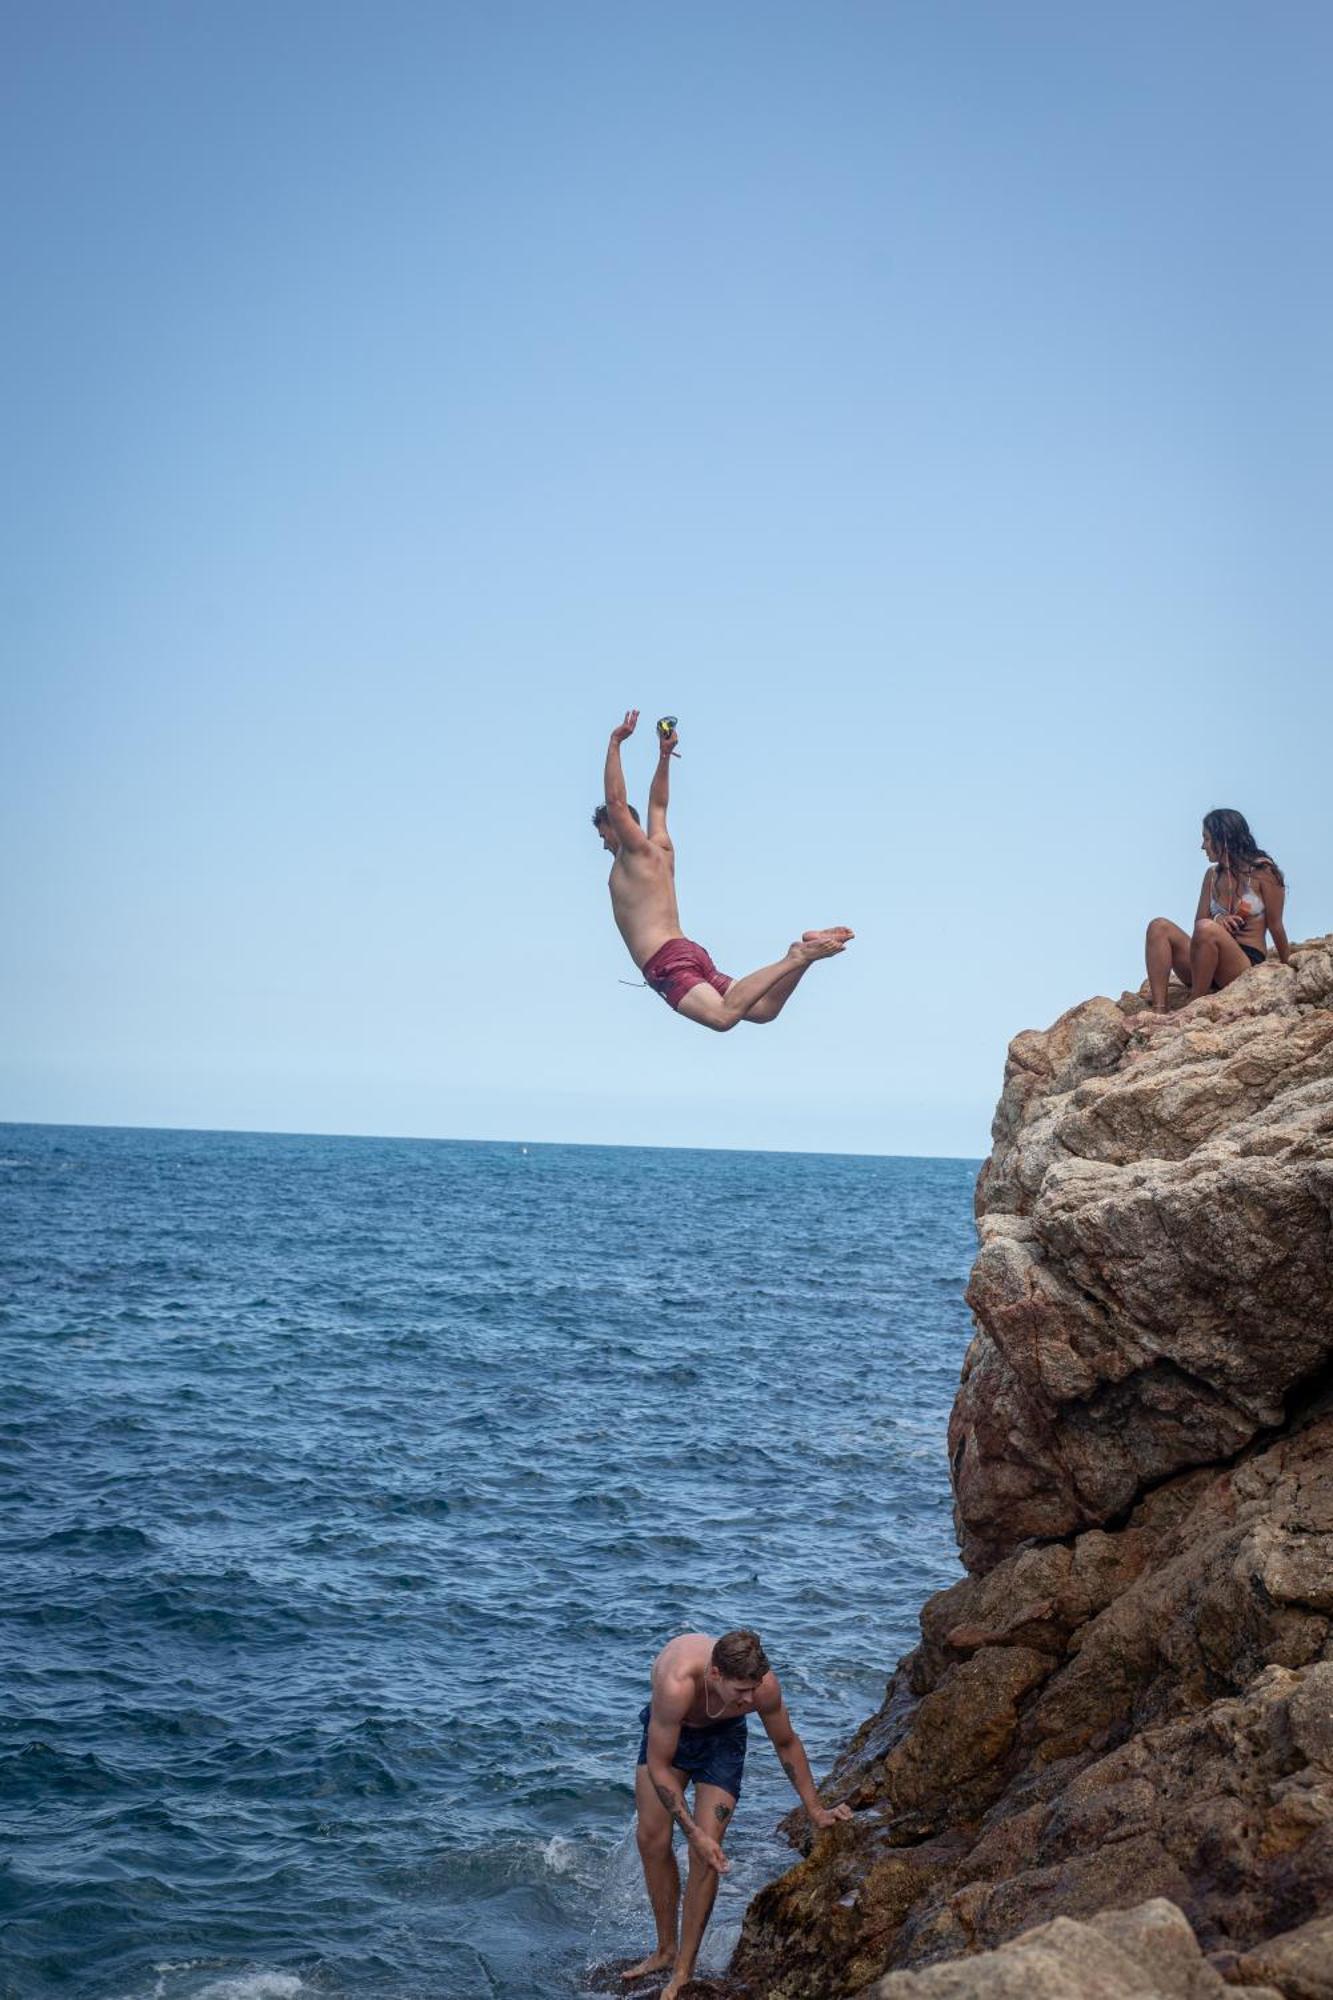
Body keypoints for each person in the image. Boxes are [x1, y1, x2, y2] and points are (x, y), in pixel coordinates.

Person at [625, 1629, 852, 1998]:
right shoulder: (677, 1684)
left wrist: (815, 1809)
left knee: (708, 1850)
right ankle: (665, 1949)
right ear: (715, 1674)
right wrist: (691, 1831)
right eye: (740, 1691)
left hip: (722, 1741)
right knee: (652, 1839)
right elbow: (659, 1765)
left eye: (754, 1688)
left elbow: (786, 1743)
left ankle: (683, 1969)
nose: (750, 1699)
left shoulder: (762, 1687)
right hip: (671, 1737)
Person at [595, 711, 853, 1029]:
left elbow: (616, 802)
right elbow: (659, 806)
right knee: (763, 1010)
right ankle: (803, 951)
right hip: (686, 951)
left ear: (619, 827)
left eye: (603, 832)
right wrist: (664, 759)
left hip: (666, 961)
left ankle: (796, 957)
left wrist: (615, 743)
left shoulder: (632, 853)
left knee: (722, 1017)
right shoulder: (661, 848)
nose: (602, 841)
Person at [1142, 809, 1289, 1023]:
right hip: (1204, 961)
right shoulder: (1212, 876)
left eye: (1207, 838)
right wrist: (1219, 920)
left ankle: (1195, 1004)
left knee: (1206, 928)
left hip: (1241, 966)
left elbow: (1276, 926)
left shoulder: (1263, 873)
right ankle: (1159, 1011)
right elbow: (1198, 923)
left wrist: (1289, 966)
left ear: (1224, 838)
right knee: (1159, 926)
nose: (1202, 846)